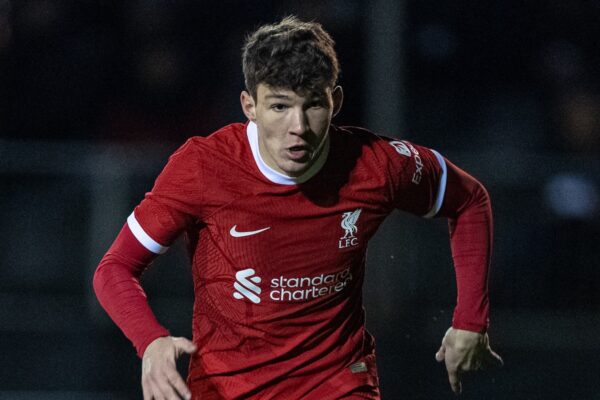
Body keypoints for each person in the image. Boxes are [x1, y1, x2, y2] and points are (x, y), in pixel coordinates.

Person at [93, 16, 503, 400]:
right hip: (228, 389)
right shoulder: (203, 168)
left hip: (339, 384)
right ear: (249, 105)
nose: (299, 127)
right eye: (279, 106)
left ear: (336, 101)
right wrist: (151, 340)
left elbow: (469, 200)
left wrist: (470, 321)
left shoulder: (377, 165)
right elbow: (114, 269)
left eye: (313, 105)